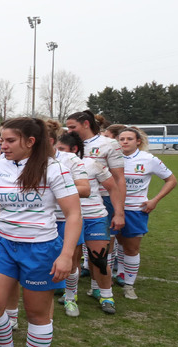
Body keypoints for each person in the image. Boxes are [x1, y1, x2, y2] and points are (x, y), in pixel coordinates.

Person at [0, 118, 81, 347]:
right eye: (1, 139)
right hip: (5, 245)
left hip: (41, 248)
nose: (2, 145)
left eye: (10, 140)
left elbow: (74, 214)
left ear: (30, 142)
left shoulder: (54, 168)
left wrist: (65, 255)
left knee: (37, 314)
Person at [55, 131, 119, 316]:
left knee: (99, 258)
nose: (57, 152)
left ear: (74, 149)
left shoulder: (92, 164)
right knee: (72, 260)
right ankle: (70, 298)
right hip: (71, 218)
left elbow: (113, 187)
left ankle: (107, 297)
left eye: (61, 149)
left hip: (94, 216)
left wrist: (118, 213)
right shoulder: (54, 166)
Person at [115, 126, 177, 299]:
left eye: (129, 139)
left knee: (132, 248)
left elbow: (171, 180)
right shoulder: (112, 158)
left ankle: (129, 285)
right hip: (112, 209)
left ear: (138, 141)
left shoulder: (149, 159)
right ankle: (118, 274)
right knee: (117, 243)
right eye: (122, 139)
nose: (125, 142)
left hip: (135, 210)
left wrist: (154, 200)